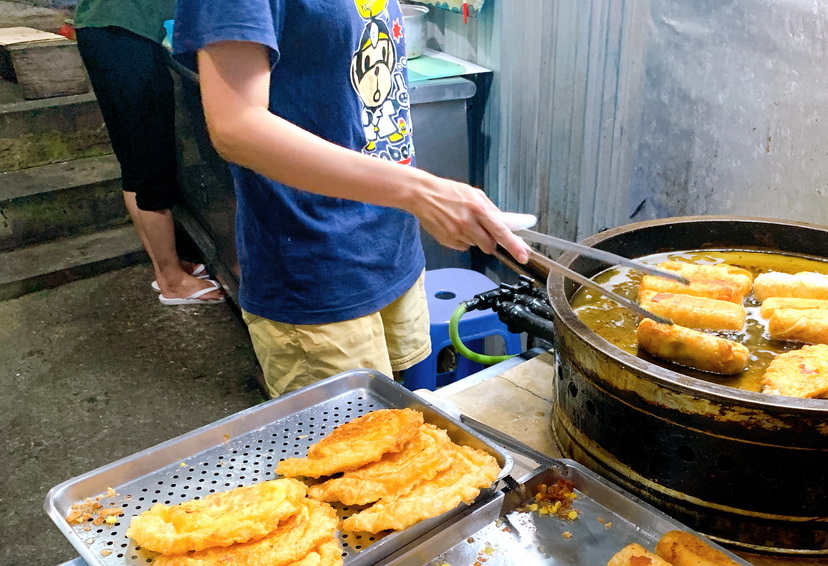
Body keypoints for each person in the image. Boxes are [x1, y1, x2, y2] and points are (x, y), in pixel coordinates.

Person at [172, 0, 529, 397]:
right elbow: (235, 126)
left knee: (398, 424)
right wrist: (421, 192)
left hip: (390, 244)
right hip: (315, 263)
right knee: (347, 446)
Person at [74, 0, 224, 304]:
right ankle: (172, 282)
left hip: (108, 31)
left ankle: (164, 266)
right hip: (125, 35)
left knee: (134, 163)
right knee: (150, 165)